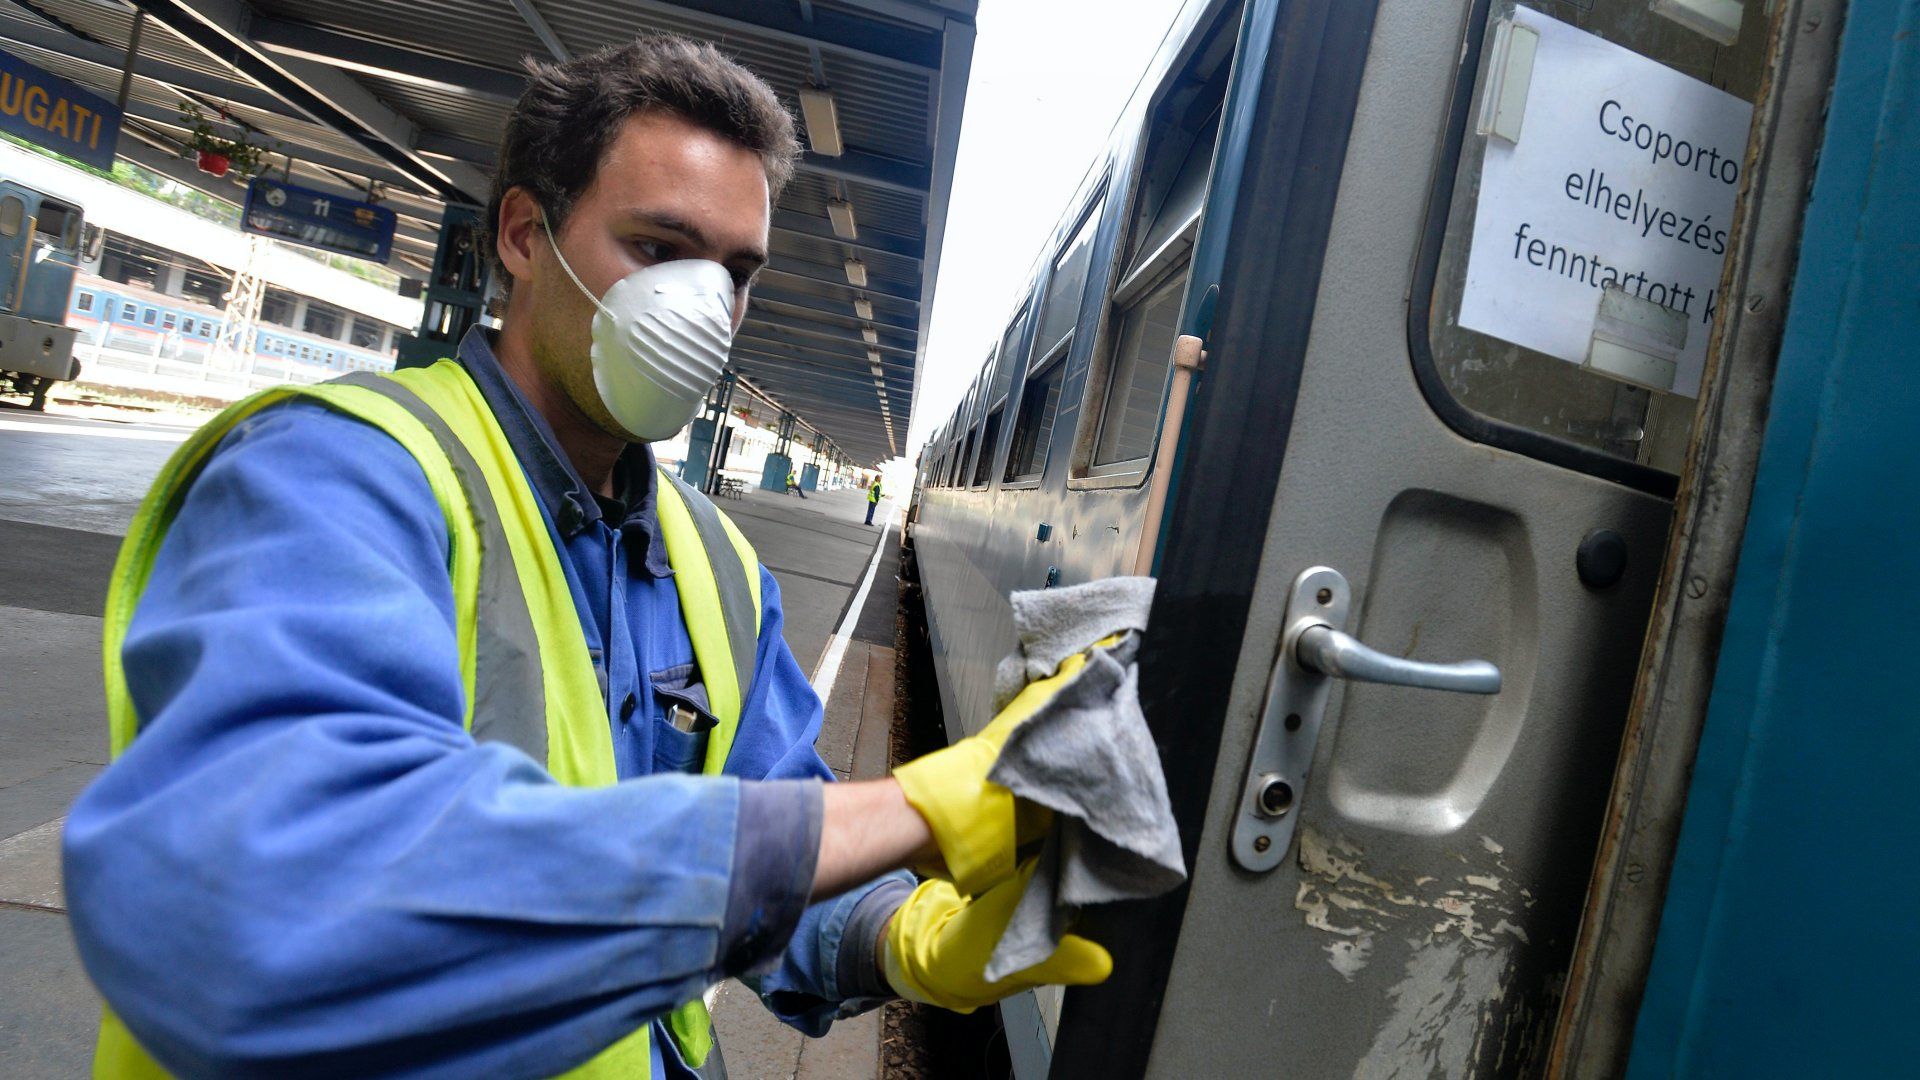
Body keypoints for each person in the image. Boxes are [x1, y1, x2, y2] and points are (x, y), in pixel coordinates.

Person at [64, 36, 1107, 1078]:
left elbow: (786, 845)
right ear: (525, 234)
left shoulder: (719, 567)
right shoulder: (334, 477)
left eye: (736, 273)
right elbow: (268, 907)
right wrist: (915, 807)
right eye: (660, 250)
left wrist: (910, 943)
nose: (708, 309)